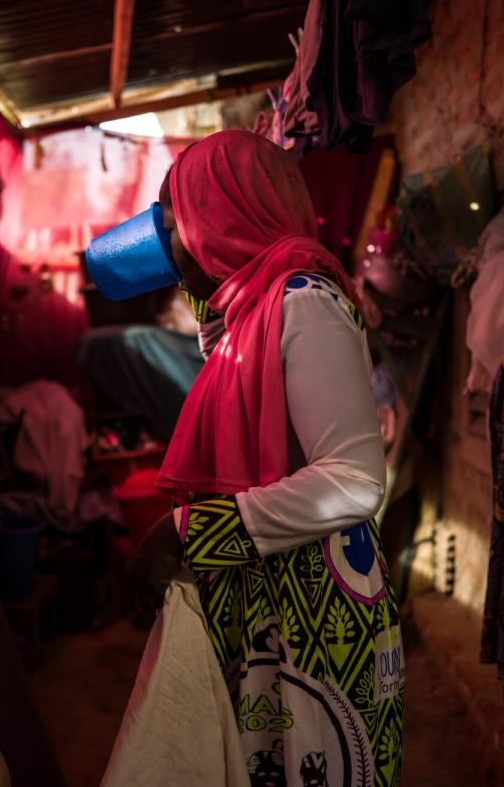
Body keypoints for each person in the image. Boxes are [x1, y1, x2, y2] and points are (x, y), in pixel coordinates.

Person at [127, 129, 404, 787]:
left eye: (178, 221)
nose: (168, 246)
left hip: (317, 618)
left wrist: (190, 532)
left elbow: (355, 479)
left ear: (223, 217)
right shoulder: (254, 308)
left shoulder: (304, 301)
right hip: (277, 605)